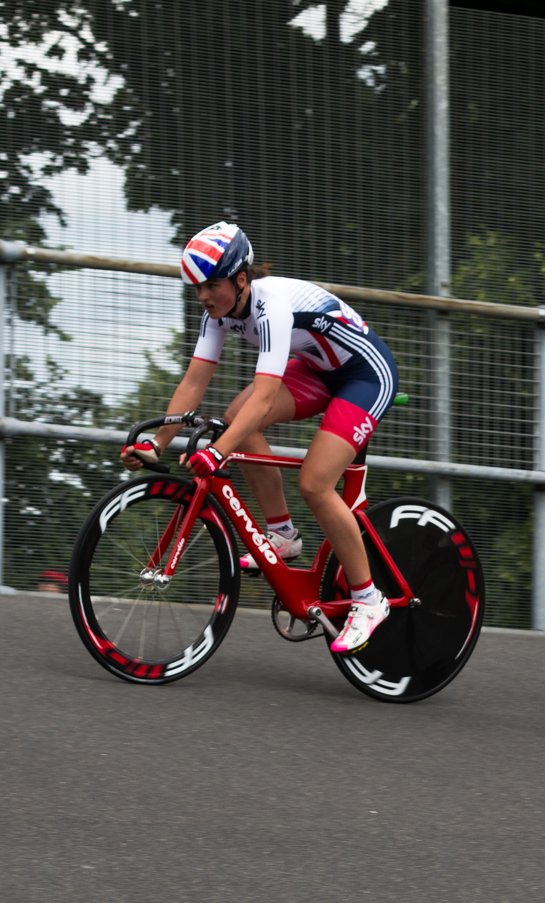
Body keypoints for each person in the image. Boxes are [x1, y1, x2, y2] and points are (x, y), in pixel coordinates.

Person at [122, 221, 401, 654]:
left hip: (365, 374)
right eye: (196, 288)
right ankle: (282, 534)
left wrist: (217, 452)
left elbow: (266, 395)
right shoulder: (218, 315)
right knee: (236, 420)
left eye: (211, 285)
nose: (202, 296)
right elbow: (194, 382)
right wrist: (157, 444)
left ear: (240, 279)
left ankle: (368, 600)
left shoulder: (271, 306)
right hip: (319, 369)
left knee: (315, 483)